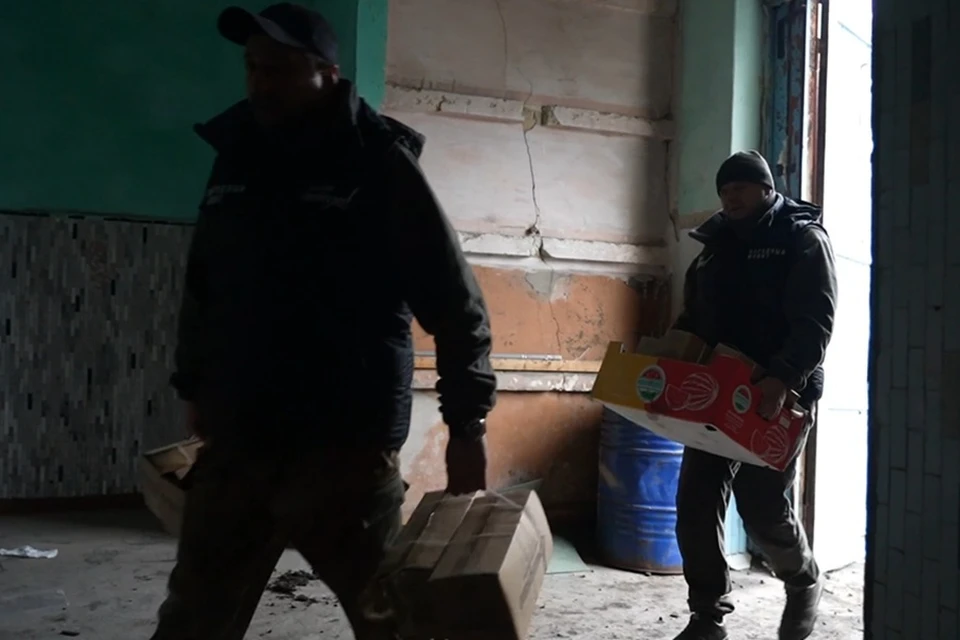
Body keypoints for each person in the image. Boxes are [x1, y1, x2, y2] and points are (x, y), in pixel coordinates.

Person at [150, 4, 496, 639]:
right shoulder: (237, 155)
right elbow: (205, 285)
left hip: (345, 451)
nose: (261, 82)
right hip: (240, 438)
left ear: (328, 75)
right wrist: (194, 384)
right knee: (193, 618)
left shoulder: (378, 162)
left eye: (280, 68)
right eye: (253, 66)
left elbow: (455, 302)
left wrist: (467, 426)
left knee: (390, 621)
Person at [670, 151, 838, 640]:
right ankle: (706, 616)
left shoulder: (801, 239)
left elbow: (816, 320)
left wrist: (782, 377)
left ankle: (802, 581)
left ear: (767, 189)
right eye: (724, 191)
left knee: (761, 505)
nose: (731, 198)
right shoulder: (714, 247)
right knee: (696, 501)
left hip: (778, 394)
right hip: (717, 392)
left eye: (740, 188)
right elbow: (693, 317)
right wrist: (672, 360)